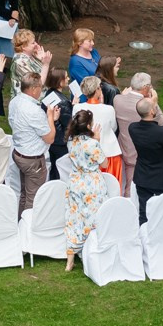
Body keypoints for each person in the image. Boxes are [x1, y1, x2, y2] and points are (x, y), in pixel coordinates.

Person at [8, 71, 60, 217]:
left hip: (19, 152)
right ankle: (28, 228)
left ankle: (20, 221)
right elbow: (49, 138)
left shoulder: (14, 101)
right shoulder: (34, 110)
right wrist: (50, 117)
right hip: (33, 160)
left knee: (24, 193)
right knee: (34, 198)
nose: (41, 91)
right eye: (40, 88)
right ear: (33, 89)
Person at [63, 110, 109, 271]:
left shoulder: (71, 142)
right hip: (92, 185)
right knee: (94, 218)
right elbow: (105, 164)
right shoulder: (92, 144)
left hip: (75, 182)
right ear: (89, 126)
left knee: (74, 219)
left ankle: (70, 260)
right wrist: (97, 140)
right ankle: (93, 252)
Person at [114, 72, 163, 196]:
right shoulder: (146, 106)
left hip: (123, 148)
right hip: (142, 151)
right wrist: (154, 102)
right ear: (146, 87)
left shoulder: (117, 99)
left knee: (127, 183)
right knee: (135, 188)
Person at [72, 76, 123, 183]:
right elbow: (113, 128)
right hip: (109, 153)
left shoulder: (77, 108)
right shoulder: (108, 109)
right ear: (97, 90)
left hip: (86, 154)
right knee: (111, 186)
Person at [44, 68, 75, 180]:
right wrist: (73, 106)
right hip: (61, 140)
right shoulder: (63, 102)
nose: (68, 79)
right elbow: (68, 122)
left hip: (51, 138)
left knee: (53, 167)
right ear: (59, 81)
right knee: (60, 170)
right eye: (66, 77)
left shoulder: (49, 93)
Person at [9, 29, 52, 101]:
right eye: (33, 43)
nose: (36, 44)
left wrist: (41, 60)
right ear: (23, 47)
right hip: (27, 103)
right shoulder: (20, 62)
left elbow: (45, 75)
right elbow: (36, 84)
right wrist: (45, 65)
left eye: (35, 42)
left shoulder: (30, 56)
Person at [67, 28, 101, 102]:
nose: (93, 43)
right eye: (89, 41)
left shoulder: (94, 52)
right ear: (80, 43)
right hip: (85, 99)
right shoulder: (75, 62)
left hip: (98, 92)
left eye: (92, 40)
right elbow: (88, 84)